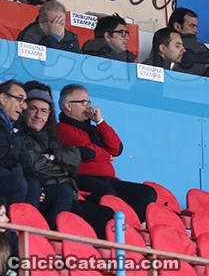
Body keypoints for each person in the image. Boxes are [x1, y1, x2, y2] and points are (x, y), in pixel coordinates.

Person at [17, 87, 113, 236]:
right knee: (66, 194)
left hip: (66, 191)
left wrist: (53, 157)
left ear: (48, 115)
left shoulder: (51, 136)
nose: (38, 115)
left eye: (44, 111)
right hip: (46, 192)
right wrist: (63, 168)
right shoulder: (19, 136)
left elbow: (74, 162)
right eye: (33, 109)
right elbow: (36, 166)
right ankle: (54, 241)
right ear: (24, 110)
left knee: (106, 214)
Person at [57, 84, 156, 221]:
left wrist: (100, 121)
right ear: (68, 105)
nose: (88, 107)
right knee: (107, 194)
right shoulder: (62, 128)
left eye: (89, 102)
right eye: (83, 102)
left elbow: (117, 148)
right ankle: (114, 229)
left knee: (147, 193)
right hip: (82, 178)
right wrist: (107, 155)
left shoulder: (93, 129)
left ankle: (129, 227)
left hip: (109, 180)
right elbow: (88, 152)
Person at [0, 80, 42, 206]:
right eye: (19, 99)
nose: (24, 107)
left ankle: (22, 218)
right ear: (3, 98)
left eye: (25, 102)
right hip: (9, 179)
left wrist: (38, 184)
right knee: (18, 183)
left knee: (34, 185)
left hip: (11, 178)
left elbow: (26, 165)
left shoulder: (16, 130)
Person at [169, 8, 209, 76]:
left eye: (196, 27)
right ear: (177, 26)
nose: (196, 31)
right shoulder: (165, 45)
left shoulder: (201, 47)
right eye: (192, 26)